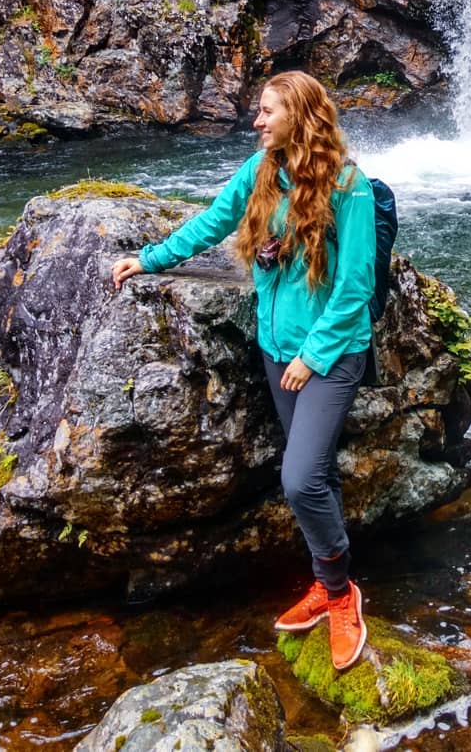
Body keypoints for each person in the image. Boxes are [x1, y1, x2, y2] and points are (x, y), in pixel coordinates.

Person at [111, 71, 375, 671]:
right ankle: (327, 579)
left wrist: (313, 356)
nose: (256, 120)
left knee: (300, 478)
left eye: (266, 111)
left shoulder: (348, 186)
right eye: (258, 111)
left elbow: (356, 285)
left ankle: (340, 596)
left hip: (329, 356)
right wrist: (149, 259)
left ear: (300, 116)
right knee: (318, 474)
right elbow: (212, 222)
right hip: (276, 349)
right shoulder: (259, 173)